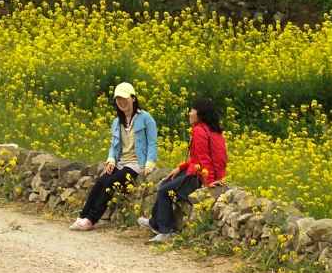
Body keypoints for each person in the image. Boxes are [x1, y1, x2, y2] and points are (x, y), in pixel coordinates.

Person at [70, 83, 158, 231]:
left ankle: (91, 219)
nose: (121, 102)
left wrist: (150, 162)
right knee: (101, 181)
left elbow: (153, 143)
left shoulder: (146, 118)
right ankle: (82, 216)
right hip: (121, 162)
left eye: (124, 98)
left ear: (133, 98)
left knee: (111, 182)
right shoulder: (117, 122)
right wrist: (111, 159)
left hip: (137, 164)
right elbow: (114, 145)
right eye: (118, 99)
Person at [141, 97, 227, 241]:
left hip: (199, 177)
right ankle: (154, 223)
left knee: (164, 191)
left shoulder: (200, 131)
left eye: (192, 110)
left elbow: (205, 160)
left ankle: (167, 231)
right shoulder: (212, 129)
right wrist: (180, 167)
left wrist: (209, 183)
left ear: (200, 114)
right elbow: (198, 159)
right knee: (165, 183)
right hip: (199, 171)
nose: (189, 113)